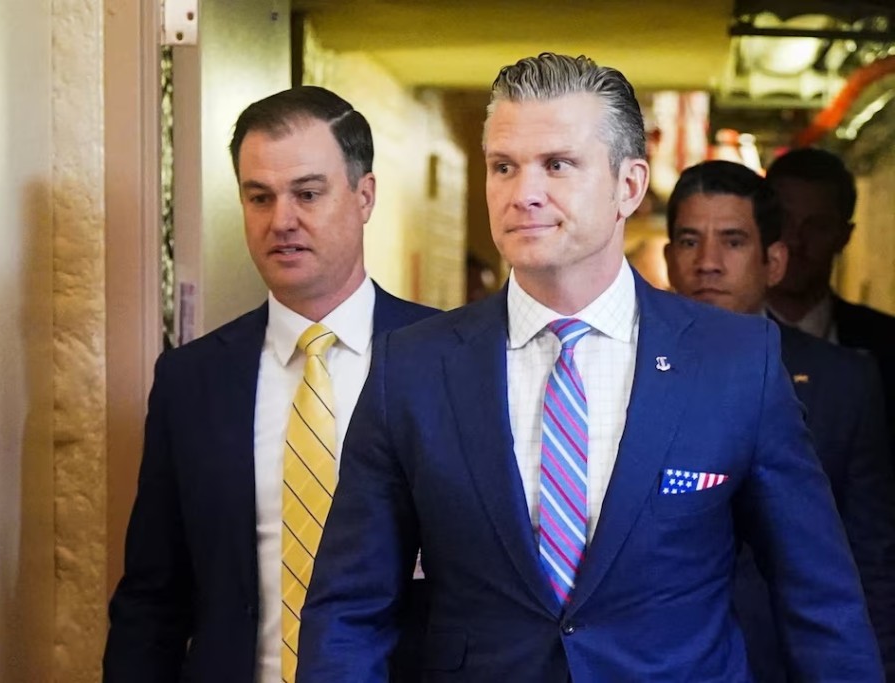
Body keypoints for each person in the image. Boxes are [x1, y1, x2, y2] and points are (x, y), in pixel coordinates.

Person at [296, 53, 883, 682]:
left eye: (557, 165)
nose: (524, 193)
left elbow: (819, 603)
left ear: (628, 186)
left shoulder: (736, 363)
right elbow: (350, 611)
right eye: (504, 166)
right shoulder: (412, 368)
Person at [102, 85, 437, 683]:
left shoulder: (447, 359)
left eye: (308, 193)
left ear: (364, 196)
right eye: (260, 198)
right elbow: (152, 598)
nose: (282, 220)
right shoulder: (191, 380)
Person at [663, 159, 895, 681]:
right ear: (668, 258)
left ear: (774, 261)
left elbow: (871, 559)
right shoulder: (622, 367)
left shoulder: (844, 380)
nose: (708, 263)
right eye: (688, 241)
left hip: (788, 660)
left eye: (733, 241)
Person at [766, 147, 895, 466]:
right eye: (784, 222)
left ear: (844, 236)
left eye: (817, 226)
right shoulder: (719, 340)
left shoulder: (888, 348)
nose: (796, 241)